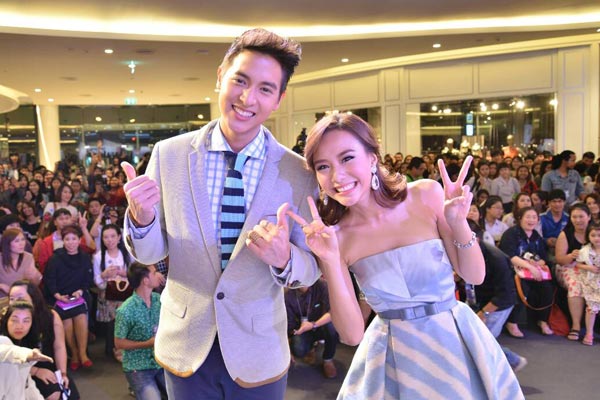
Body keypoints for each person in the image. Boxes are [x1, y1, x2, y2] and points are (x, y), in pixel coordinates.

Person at [121, 28, 320, 399]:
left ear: (279, 99)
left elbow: (311, 266)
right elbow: (150, 254)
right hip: (186, 344)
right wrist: (142, 218)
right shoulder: (169, 154)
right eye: (239, 81)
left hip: (258, 348)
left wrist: (285, 259)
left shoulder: (298, 173)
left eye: (265, 88)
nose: (247, 98)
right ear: (220, 77)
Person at [289, 113, 522, 399]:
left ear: (372, 158)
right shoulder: (336, 236)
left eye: (347, 158)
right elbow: (351, 335)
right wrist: (330, 261)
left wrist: (459, 222)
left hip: (453, 339)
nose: (337, 176)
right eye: (323, 166)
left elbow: (474, 275)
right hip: (391, 355)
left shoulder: (425, 194)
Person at [466, 221, 527, 372]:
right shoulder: (464, 250)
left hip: (498, 304)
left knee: (482, 340)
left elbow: (504, 294)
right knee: (473, 339)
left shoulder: (497, 259)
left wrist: (483, 313)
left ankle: (511, 361)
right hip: (477, 298)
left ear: (475, 238)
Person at [43, 225, 94, 371]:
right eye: (67, 239)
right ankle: (75, 353)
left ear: (79, 240)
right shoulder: (55, 258)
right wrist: (58, 295)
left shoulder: (84, 257)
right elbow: (49, 280)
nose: (71, 242)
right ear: (63, 241)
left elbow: (88, 279)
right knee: (67, 322)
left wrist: (80, 291)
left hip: (78, 296)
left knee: (81, 317)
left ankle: (83, 353)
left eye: (74, 239)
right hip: (60, 298)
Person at [499, 207, 555, 337]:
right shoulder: (511, 234)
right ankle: (512, 322)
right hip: (512, 270)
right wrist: (530, 267)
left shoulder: (536, 236)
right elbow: (510, 256)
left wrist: (539, 264)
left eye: (534, 217)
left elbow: (543, 257)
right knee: (522, 286)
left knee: (547, 287)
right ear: (520, 218)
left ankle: (543, 320)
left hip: (531, 271)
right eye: (528, 217)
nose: (531, 220)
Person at [115, 263, 166, 399]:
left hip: (160, 363)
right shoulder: (126, 310)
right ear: (145, 281)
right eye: (154, 273)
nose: (159, 275)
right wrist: (147, 343)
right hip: (137, 367)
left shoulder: (159, 300)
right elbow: (119, 343)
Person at [284, 279, 338, 378]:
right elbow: (288, 325)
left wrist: (313, 324)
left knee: (332, 326)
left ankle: (328, 360)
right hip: (302, 328)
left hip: (321, 324)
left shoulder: (321, 285)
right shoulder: (288, 295)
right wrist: (288, 351)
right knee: (298, 349)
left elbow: (332, 312)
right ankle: (311, 348)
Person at [92, 224, 131, 360]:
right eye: (106, 237)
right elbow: (97, 281)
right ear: (102, 239)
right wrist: (104, 275)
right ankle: (115, 348)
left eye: (113, 236)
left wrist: (124, 273)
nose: (110, 240)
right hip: (108, 294)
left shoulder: (127, 254)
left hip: (126, 293)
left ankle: (124, 348)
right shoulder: (98, 257)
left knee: (124, 313)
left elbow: (135, 275)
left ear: (119, 237)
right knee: (114, 315)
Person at [554, 203, 591, 341]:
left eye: (581, 216)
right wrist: (571, 256)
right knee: (576, 285)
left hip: (590, 268)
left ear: (589, 217)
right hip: (568, 267)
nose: (578, 220)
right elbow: (560, 260)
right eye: (574, 217)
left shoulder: (595, 232)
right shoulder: (565, 234)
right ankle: (576, 326)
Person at [575, 223, 600, 345]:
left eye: (599, 235)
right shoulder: (585, 250)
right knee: (591, 308)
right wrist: (589, 267)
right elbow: (578, 264)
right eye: (593, 235)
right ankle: (589, 333)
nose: (597, 238)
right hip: (591, 282)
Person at [0, 228, 42, 300]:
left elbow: (35, 284)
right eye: (17, 241)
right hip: (3, 299)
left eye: (23, 240)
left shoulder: (28, 257)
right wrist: (1, 286)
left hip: (22, 298)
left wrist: (35, 277)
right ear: (7, 243)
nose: (21, 244)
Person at [540, 189, 569, 256]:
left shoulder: (569, 219)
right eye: (554, 201)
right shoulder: (540, 218)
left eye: (560, 201)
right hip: (544, 250)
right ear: (549, 203)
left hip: (564, 251)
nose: (557, 204)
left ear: (564, 202)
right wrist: (546, 241)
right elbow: (534, 237)